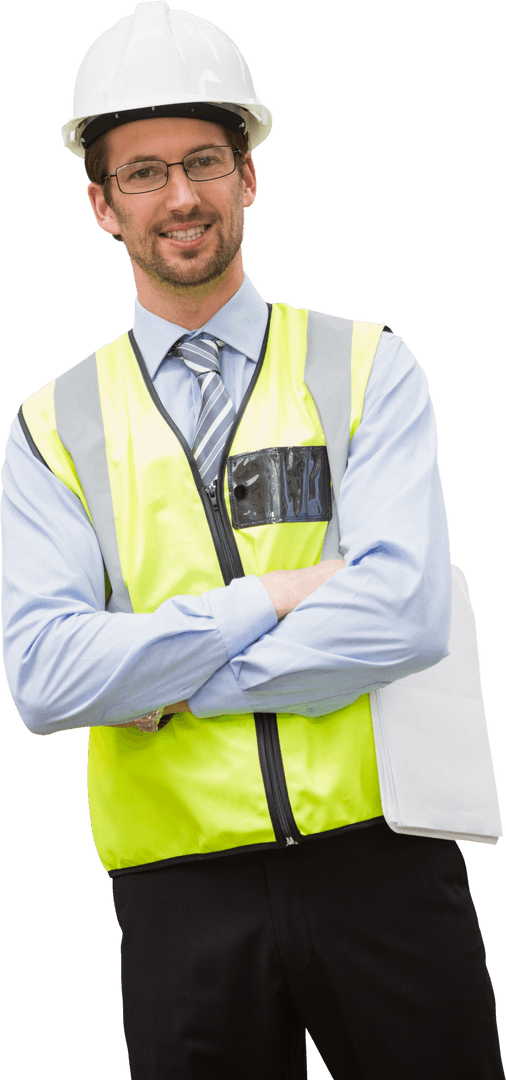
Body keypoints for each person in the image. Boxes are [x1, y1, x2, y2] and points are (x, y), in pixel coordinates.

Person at [1, 2, 504, 1077]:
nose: (179, 196)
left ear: (248, 177)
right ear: (101, 204)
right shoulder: (52, 426)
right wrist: (263, 601)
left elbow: (403, 616)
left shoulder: (369, 367)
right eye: (142, 173)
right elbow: (45, 680)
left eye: (203, 161)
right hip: (178, 902)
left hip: (385, 870)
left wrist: (162, 683)